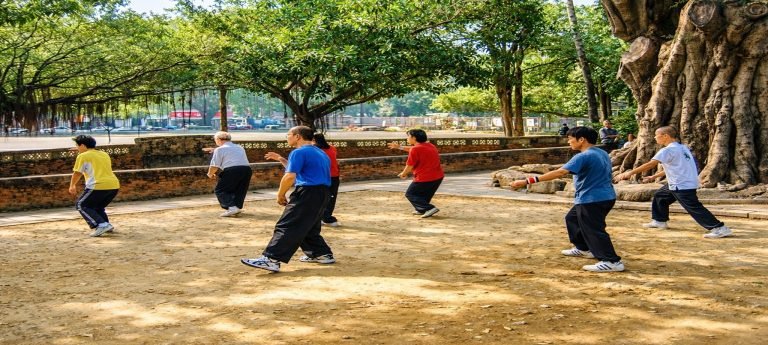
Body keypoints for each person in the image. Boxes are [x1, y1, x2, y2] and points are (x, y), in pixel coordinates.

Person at [511, 126, 624, 272]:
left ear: (582, 139)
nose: (569, 142)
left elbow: (561, 172)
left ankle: (611, 261)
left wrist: (528, 181)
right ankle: (583, 248)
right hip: (603, 196)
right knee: (572, 219)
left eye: (570, 139)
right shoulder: (601, 152)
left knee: (593, 229)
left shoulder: (583, 156)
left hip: (592, 198)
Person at [241, 126, 335, 272]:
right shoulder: (320, 152)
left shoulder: (299, 152)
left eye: (288, 134)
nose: (287, 137)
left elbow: (290, 176)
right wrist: (280, 158)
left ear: (298, 136)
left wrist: (280, 194)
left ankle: (272, 259)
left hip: (307, 192)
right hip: (322, 193)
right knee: (308, 226)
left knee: (287, 224)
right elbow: (301, 170)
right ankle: (322, 254)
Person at [614, 126, 732, 239]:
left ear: (665, 136)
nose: (655, 138)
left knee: (694, 207)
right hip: (680, 182)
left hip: (681, 184)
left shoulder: (668, 150)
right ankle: (659, 221)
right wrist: (654, 176)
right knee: (660, 196)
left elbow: (651, 164)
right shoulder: (682, 148)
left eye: (657, 135)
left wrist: (629, 173)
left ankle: (719, 228)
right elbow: (674, 167)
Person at [68, 135, 120, 237]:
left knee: (81, 205)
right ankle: (106, 225)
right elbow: (92, 156)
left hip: (97, 186)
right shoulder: (104, 154)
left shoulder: (83, 156)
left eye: (77, 146)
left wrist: (72, 185)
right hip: (114, 185)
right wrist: (81, 150)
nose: (77, 148)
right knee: (97, 207)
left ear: (82, 145)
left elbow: (77, 173)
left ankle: (101, 224)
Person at [386, 129, 444, 218]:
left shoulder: (415, 149)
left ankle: (429, 208)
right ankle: (422, 209)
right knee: (424, 195)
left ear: (414, 138)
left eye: (408, 136)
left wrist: (403, 173)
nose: (407, 138)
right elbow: (414, 149)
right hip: (438, 177)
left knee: (410, 194)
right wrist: (399, 147)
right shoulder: (430, 145)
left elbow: (409, 165)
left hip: (424, 177)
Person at [203, 131, 252, 217]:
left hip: (232, 170)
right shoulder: (239, 147)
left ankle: (232, 207)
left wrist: (209, 174)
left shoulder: (219, 150)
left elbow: (214, 165)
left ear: (218, 140)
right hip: (246, 169)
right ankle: (235, 207)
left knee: (220, 190)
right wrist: (215, 150)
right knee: (240, 189)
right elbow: (229, 150)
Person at [314, 133, 342, 227]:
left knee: (320, 198)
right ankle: (326, 217)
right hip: (333, 176)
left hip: (321, 176)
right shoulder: (332, 148)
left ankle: (320, 217)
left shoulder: (315, 150)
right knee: (331, 198)